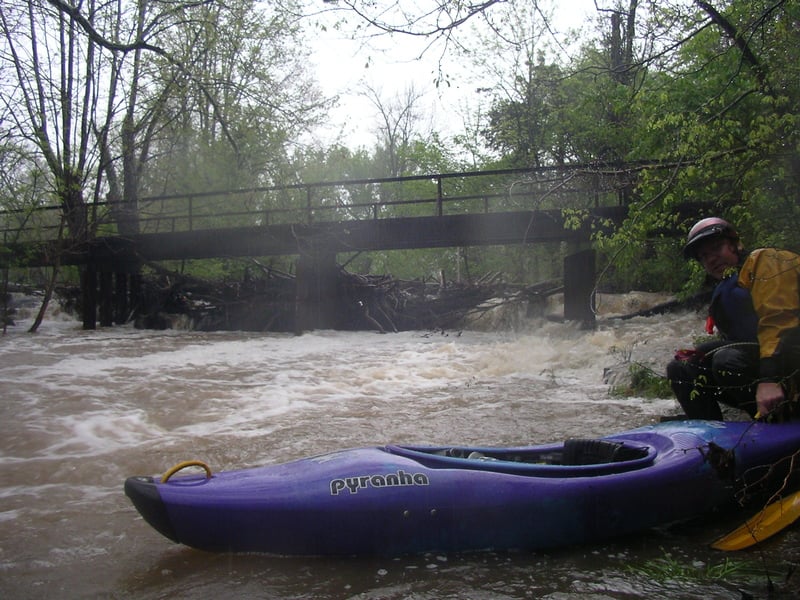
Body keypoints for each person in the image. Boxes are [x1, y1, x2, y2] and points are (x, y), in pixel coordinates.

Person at [666, 217, 800, 421]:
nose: (711, 259)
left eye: (717, 248)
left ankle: (778, 420)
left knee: (726, 360)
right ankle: (711, 437)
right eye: (704, 256)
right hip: (773, 367)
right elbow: (743, 341)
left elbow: (780, 324)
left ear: (735, 244)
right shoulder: (729, 285)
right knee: (681, 367)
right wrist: (703, 351)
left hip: (787, 366)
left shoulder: (767, 261)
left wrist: (768, 380)